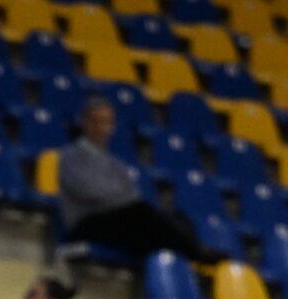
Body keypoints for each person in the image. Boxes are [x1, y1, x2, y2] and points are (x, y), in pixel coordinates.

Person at [55, 96, 202, 263]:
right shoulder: (71, 156)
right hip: (86, 222)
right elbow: (89, 191)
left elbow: (131, 195)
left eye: (107, 122)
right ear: (85, 122)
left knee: (178, 218)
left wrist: (115, 197)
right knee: (142, 214)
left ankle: (184, 254)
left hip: (117, 220)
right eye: (97, 121)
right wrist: (117, 197)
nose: (102, 128)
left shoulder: (118, 165)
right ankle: (193, 252)